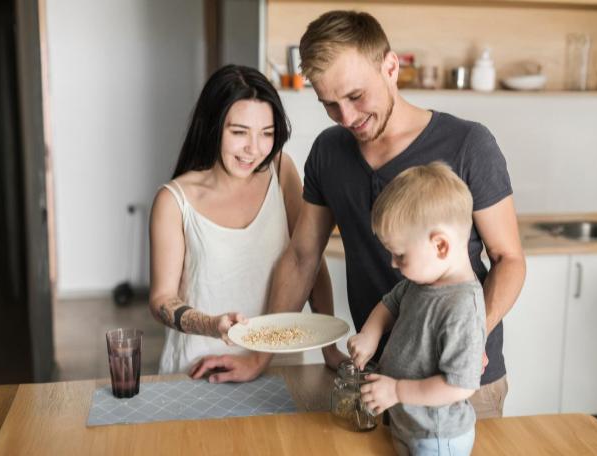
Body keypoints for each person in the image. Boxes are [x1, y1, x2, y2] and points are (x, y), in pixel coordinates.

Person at [220, 10, 527, 418]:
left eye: (355, 96)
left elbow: (510, 260)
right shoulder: (329, 152)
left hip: (459, 382)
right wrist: (259, 356)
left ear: (390, 67)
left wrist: (468, 340)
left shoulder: (468, 144)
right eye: (329, 104)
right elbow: (301, 257)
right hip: (378, 377)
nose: (347, 118)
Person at [147, 64, 346, 381]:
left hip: (278, 365)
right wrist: (211, 324)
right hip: (202, 366)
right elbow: (161, 300)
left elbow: (308, 260)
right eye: (239, 132)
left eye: (266, 134)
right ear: (213, 127)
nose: (254, 149)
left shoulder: (281, 171)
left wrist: (329, 349)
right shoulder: (174, 201)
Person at [347, 162, 486, 456]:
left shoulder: (462, 307)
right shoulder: (423, 281)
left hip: (437, 437)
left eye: (399, 254)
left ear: (440, 246)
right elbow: (390, 303)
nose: (393, 264)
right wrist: (370, 334)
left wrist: (397, 391)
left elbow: (459, 387)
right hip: (409, 424)